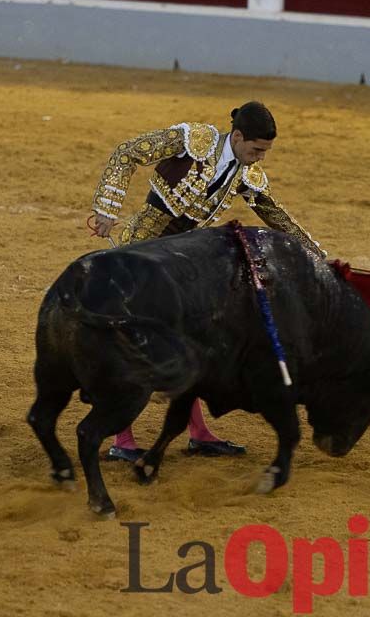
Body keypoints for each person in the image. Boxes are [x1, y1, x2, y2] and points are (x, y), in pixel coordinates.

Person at [90, 101, 323, 462]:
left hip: (183, 257)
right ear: (239, 136)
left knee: (193, 339)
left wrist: (316, 255)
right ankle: (123, 438)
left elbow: (277, 215)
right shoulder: (192, 140)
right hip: (143, 250)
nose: (260, 158)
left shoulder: (246, 173)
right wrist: (107, 207)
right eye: (256, 149)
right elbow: (128, 152)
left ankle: (198, 431)